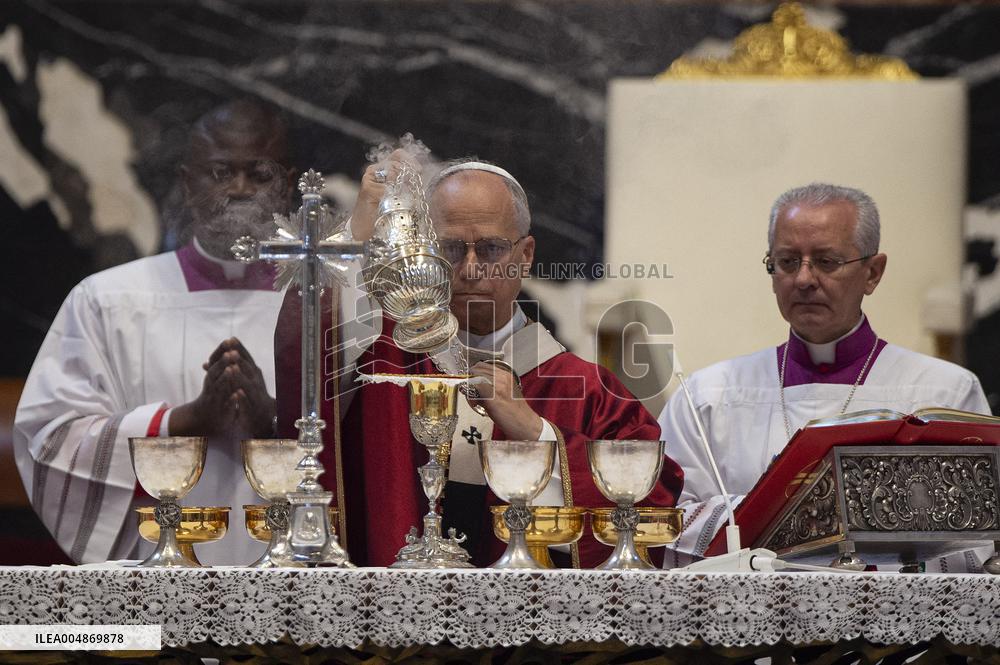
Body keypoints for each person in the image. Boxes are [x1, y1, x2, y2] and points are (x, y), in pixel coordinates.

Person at [275, 157, 684, 568]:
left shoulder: (587, 390)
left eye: (490, 248)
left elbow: (653, 506)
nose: (470, 269)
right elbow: (305, 362)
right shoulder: (381, 371)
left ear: (525, 256)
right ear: (425, 253)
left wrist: (537, 434)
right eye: (451, 249)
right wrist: (359, 231)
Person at [14, 100, 294, 565]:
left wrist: (275, 421)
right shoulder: (107, 299)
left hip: (302, 581)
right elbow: (50, 438)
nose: (240, 189)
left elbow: (375, 444)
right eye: (222, 172)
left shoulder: (331, 302)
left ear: (288, 185)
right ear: (187, 184)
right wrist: (181, 421)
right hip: (153, 575)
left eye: (261, 174)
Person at [658, 183, 990, 569]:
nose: (803, 279)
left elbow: (975, 534)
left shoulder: (945, 392)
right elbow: (667, 519)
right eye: (786, 261)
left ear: (873, 272)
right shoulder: (708, 395)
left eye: (827, 261)